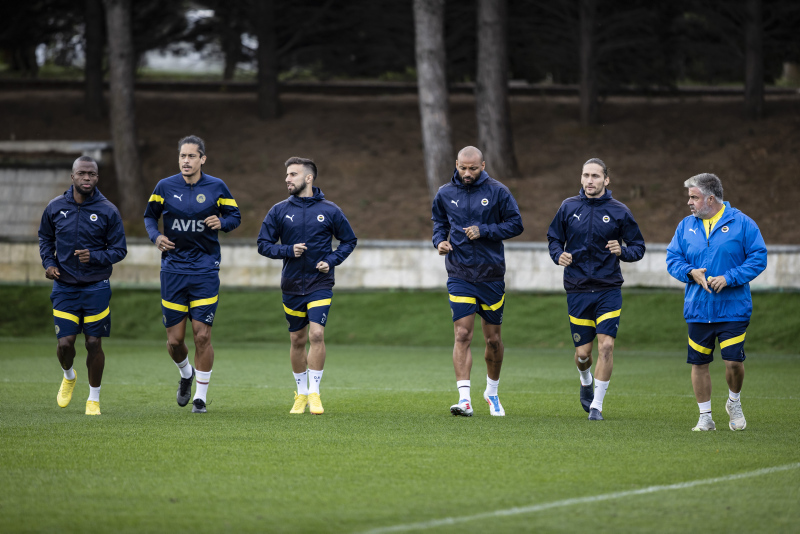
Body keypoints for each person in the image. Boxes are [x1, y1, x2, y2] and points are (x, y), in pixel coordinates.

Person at [144, 135, 241, 414]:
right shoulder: (164, 186)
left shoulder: (217, 187)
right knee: (175, 341)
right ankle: (186, 374)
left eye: (191, 156)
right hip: (173, 269)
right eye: (182, 156)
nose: (186, 161)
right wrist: (155, 236)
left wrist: (222, 222)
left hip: (205, 269)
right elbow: (149, 216)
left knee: (202, 336)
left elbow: (236, 217)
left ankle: (200, 397)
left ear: (202, 159)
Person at [546, 158, 645, 421]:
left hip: (608, 288)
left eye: (595, 176)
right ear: (581, 178)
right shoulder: (568, 207)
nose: (590, 180)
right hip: (577, 289)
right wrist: (559, 255)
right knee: (583, 354)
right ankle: (585, 378)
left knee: (607, 347)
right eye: (586, 175)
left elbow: (638, 248)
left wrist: (622, 251)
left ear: (606, 180)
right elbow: (554, 238)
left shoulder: (620, 211)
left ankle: (596, 406)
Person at [666, 173, 766, 432]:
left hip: (733, 307)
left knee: (733, 362)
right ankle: (705, 417)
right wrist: (690, 272)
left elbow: (758, 258)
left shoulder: (743, 224)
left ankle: (734, 402)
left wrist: (730, 277)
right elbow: (672, 259)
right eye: (689, 197)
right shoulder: (685, 226)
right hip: (698, 308)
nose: (689, 202)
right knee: (699, 363)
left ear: (710, 199)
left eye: (694, 197)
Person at [258, 157, 357, 415]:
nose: (287, 179)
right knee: (297, 339)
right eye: (286, 175)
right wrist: (288, 250)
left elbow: (349, 240)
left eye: (293, 174)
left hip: (320, 283)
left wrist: (331, 261)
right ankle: (300, 394)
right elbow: (263, 244)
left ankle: (314, 393)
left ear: (309, 178)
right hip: (291, 284)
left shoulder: (331, 210)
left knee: (316, 335)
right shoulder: (278, 210)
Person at [431, 146, 524, 417]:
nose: (467, 173)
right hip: (459, 273)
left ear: (483, 165)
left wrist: (484, 230)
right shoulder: (444, 193)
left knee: (493, 339)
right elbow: (438, 222)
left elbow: (516, 224)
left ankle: (491, 393)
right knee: (462, 334)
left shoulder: (498, 191)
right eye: (462, 168)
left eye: (473, 168)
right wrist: (440, 241)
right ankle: (464, 399)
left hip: (491, 275)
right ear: (456, 164)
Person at [38, 156, 127, 415]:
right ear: (73, 176)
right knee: (65, 344)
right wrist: (48, 263)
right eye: (82, 173)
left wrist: (96, 256)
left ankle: (94, 399)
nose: (87, 178)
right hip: (64, 286)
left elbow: (120, 250)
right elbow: (45, 237)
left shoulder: (108, 210)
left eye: (91, 174)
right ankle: (68, 375)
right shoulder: (55, 207)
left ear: (97, 178)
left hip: (96, 286)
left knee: (93, 343)